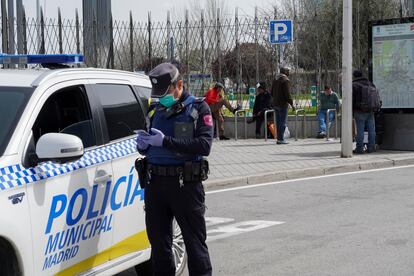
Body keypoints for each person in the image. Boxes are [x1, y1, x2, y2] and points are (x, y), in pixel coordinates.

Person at [136, 62, 213, 276]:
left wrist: (166, 142)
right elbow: (148, 143)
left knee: (195, 245)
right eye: (158, 93)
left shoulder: (198, 108)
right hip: (155, 184)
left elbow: (204, 146)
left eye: (165, 92)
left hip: (185, 185)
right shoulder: (154, 109)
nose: (161, 98)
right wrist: (143, 145)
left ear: (179, 85)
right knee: (159, 248)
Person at [352, 69, 376, 154]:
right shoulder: (371, 84)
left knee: (360, 130)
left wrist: (351, 112)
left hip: (359, 111)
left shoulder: (354, 85)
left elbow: (352, 100)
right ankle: (371, 147)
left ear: (354, 76)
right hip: (370, 110)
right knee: (371, 129)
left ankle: (359, 148)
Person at [271, 66, 295, 144]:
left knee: (278, 122)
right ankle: (280, 139)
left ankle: (279, 138)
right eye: (288, 71)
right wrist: (292, 104)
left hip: (275, 104)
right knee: (283, 122)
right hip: (282, 104)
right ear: (285, 72)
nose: (289, 72)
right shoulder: (285, 80)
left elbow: (271, 92)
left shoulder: (275, 79)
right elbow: (287, 94)